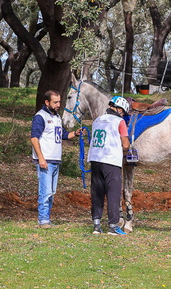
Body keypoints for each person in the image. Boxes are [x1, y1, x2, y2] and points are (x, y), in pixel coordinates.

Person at [30, 90, 80, 228]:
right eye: (55, 102)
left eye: (59, 101)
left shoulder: (57, 117)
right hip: (46, 161)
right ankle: (43, 220)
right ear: (47, 102)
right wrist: (41, 158)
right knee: (45, 192)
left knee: (51, 193)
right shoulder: (41, 117)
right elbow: (34, 138)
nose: (58, 104)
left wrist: (75, 134)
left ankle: (47, 218)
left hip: (55, 160)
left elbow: (62, 134)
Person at [87, 96, 131, 235]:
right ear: (118, 109)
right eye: (123, 111)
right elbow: (125, 144)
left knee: (97, 192)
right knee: (113, 193)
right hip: (111, 161)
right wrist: (126, 149)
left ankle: (96, 225)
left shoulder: (97, 120)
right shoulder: (120, 121)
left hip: (95, 159)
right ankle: (113, 226)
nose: (122, 114)